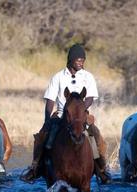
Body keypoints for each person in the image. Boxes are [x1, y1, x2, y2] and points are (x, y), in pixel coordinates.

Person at [21, 44, 111, 184]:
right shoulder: (58, 77)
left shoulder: (88, 77)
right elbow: (50, 100)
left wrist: (80, 111)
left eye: (83, 60)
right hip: (62, 115)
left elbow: (90, 98)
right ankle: (35, 167)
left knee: (95, 135)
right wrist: (47, 120)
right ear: (71, 60)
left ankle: (102, 169)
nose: (81, 62)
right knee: (42, 136)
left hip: (82, 115)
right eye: (78, 60)